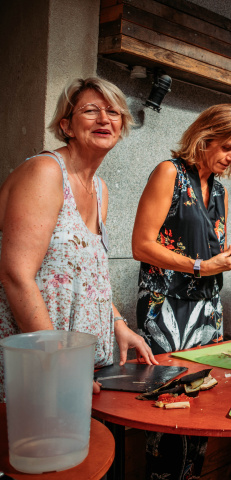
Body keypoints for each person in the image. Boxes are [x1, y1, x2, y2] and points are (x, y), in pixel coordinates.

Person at [0, 77, 156, 400]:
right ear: (67, 126)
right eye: (91, 110)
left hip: (78, 367)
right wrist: (61, 364)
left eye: (113, 112)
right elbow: (16, 275)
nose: (104, 119)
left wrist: (118, 323)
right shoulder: (46, 172)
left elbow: (88, 277)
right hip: (36, 362)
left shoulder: (101, 190)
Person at [131, 103, 231, 478]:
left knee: (200, 405)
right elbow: (141, 245)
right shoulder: (169, 173)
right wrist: (201, 266)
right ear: (203, 138)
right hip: (164, 306)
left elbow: (212, 247)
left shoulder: (220, 191)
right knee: (168, 404)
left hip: (207, 310)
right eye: (226, 147)